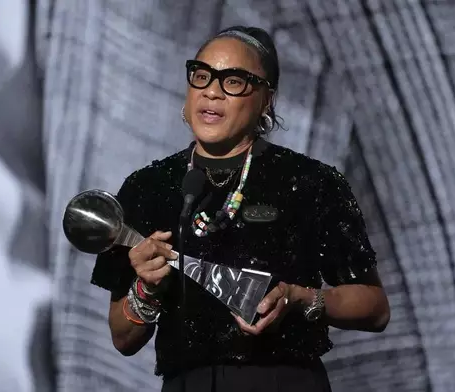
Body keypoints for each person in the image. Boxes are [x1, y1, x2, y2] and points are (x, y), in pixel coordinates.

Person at [91, 25, 391, 392]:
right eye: (201, 76)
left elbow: (375, 309)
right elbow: (123, 339)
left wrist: (300, 299)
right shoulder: (147, 187)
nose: (212, 91)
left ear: (267, 99)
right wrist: (146, 290)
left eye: (233, 81)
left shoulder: (312, 182)